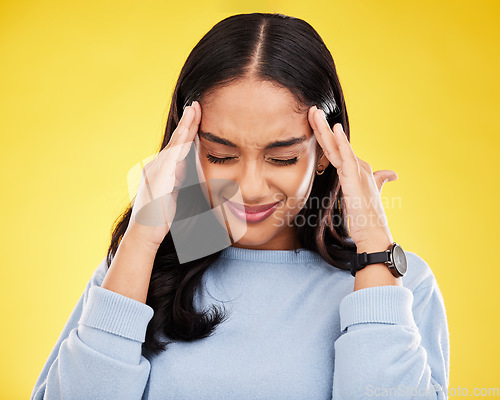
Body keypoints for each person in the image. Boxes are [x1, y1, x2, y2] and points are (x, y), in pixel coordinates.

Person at [31, 12, 449, 400]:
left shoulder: (399, 285)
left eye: (282, 158)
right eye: (220, 156)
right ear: (188, 148)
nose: (248, 188)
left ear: (325, 152)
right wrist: (143, 235)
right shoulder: (133, 274)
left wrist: (374, 244)